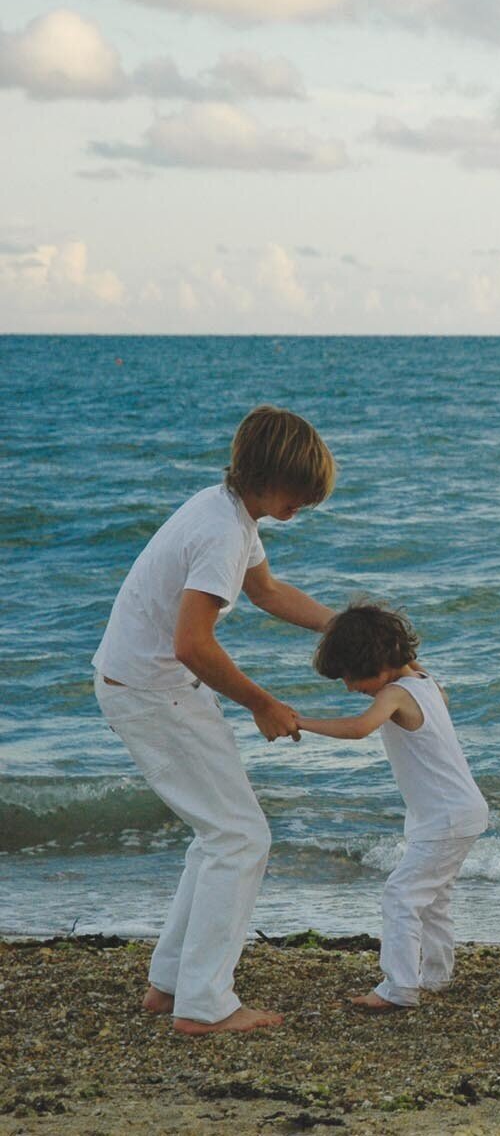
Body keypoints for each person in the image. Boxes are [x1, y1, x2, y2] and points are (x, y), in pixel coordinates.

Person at [91, 405, 337, 1035]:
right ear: (265, 475)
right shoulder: (222, 532)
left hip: (149, 682)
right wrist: (262, 702)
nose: (305, 504)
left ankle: (172, 985)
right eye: (299, 491)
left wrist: (343, 624)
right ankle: (205, 1004)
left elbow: (269, 593)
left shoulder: (228, 509)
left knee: (220, 833)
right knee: (241, 837)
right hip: (152, 688)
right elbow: (192, 642)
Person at [298, 603, 489, 1011]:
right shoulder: (424, 681)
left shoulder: (395, 693)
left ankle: (399, 988)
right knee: (433, 898)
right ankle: (435, 976)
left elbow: (358, 728)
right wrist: (398, 655)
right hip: (457, 811)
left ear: (376, 662)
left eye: (352, 675)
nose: (350, 687)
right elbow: (405, 671)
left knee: (401, 896)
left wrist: (299, 721)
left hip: (445, 816)